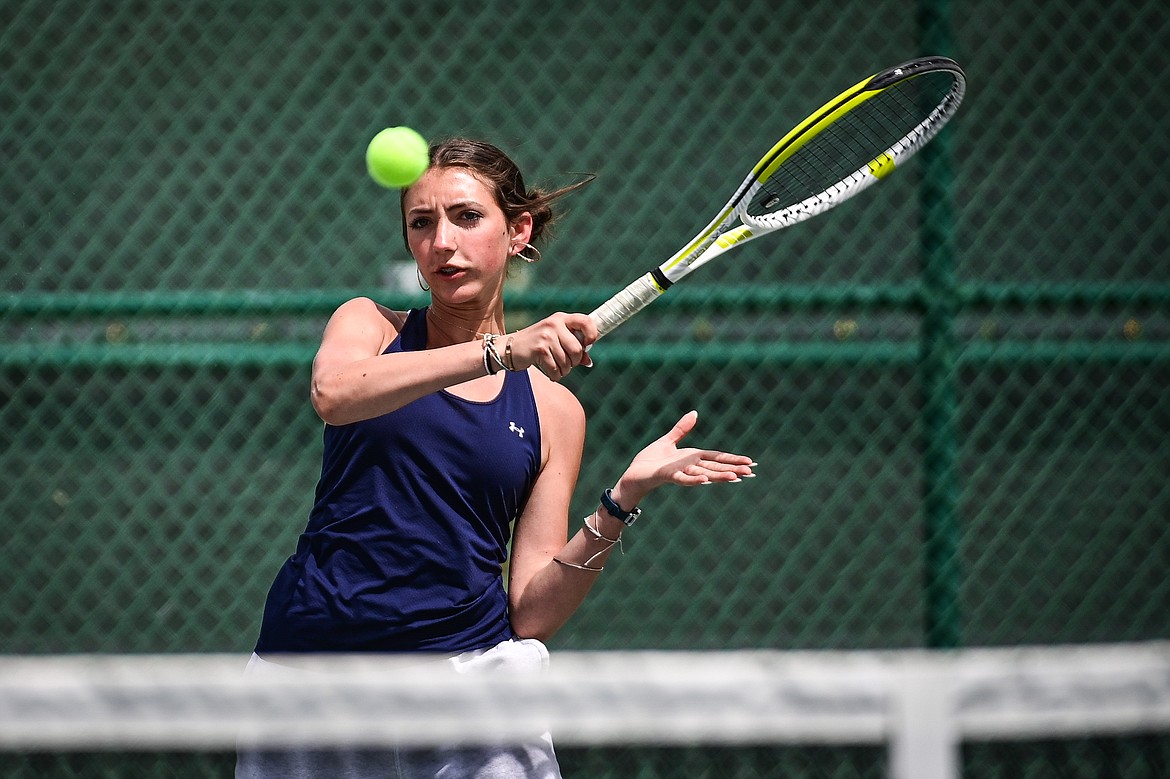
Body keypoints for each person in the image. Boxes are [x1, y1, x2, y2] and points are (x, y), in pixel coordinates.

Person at [237, 137, 756, 779]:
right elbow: (334, 394)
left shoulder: (554, 411)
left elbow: (533, 611)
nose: (442, 242)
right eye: (421, 224)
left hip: (471, 685)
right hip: (315, 673)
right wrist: (501, 350)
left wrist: (620, 502)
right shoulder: (369, 325)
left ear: (518, 231)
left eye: (466, 216)